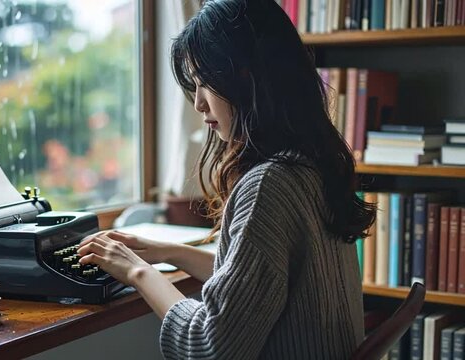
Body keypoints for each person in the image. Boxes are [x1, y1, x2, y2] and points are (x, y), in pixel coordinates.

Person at [77, 0, 376, 358]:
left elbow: (208, 346)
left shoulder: (269, 184)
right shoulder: (313, 164)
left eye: (205, 83)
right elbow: (259, 278)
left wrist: (138, 272)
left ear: (246, 76)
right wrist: (167, 252)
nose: (199, 105)